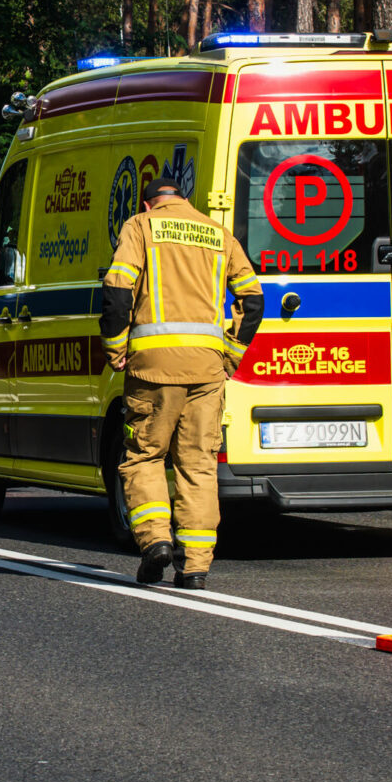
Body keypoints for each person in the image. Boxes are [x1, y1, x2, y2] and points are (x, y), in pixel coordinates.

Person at [101, 177, 264, 589]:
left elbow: (118, 291)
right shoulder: (217, 233)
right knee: (198, 465)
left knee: (144, 456)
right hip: (208, 369)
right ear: (184, 201)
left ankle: (156, 541)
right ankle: (194, 567)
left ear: (148, 202)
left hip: (153, 366)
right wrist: (233, 353)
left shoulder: (140, 226)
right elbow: (254, 299)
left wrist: (115, 347)